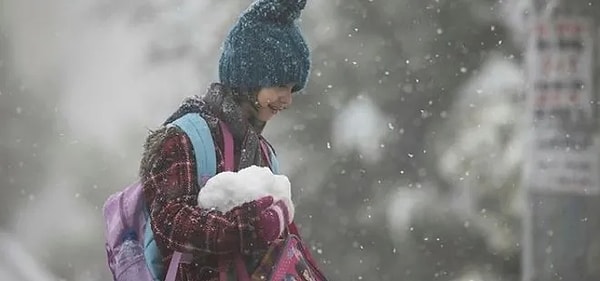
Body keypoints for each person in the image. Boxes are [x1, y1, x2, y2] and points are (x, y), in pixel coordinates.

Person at [139, 0, 311, 280]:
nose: (288, 99)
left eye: (293, 89)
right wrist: (250, 227)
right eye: (280, 85)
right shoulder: (185, 139)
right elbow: (169, 224)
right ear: (249, 78)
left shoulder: (264, 153)